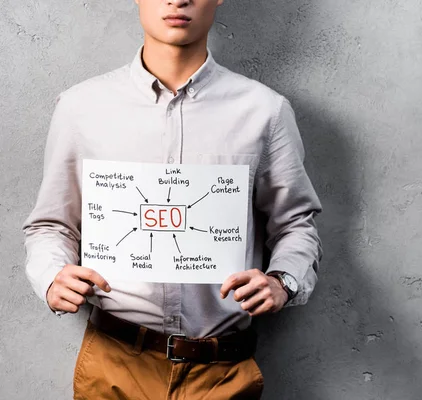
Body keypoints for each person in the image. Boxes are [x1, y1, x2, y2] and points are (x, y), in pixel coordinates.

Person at [21, 0, 323, 398]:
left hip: (222, 371)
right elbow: (51, 225)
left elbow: (295, 224)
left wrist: (282, 281)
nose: (177, 0)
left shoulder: (264, 111)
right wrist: (51, 275)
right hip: (113, 363)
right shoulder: (81, 108)